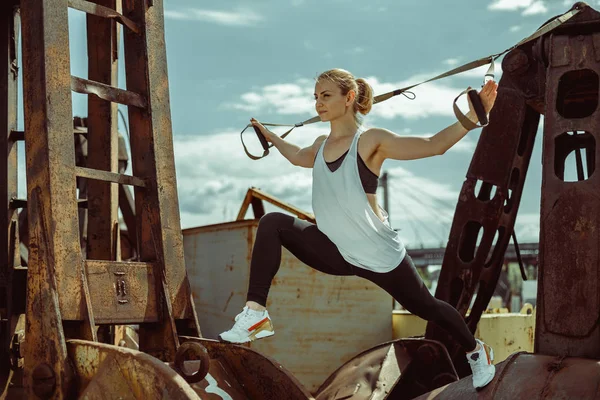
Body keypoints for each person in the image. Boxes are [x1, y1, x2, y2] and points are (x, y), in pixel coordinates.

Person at [219, 68, 498, 389]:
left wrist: (474, 115)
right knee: (273, 223)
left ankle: (477, 351)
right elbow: (297, 156)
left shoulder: (370, 142)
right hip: (337, 251)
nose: (318, 104)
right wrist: (270, 136)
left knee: (427, 307)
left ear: (348, 98)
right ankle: (255, 314)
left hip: (380, 256)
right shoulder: (321, 144)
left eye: (326, 96)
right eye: (315, 97)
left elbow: (434, 144)